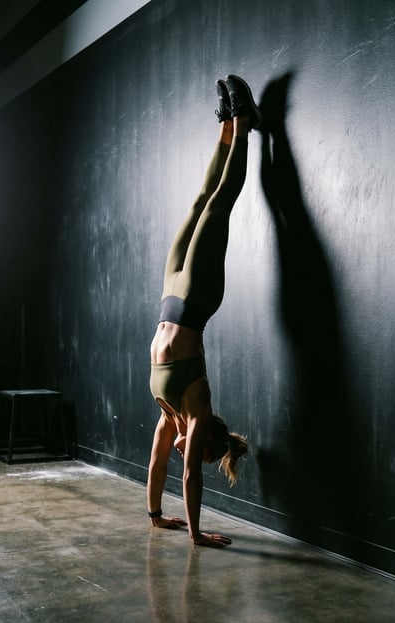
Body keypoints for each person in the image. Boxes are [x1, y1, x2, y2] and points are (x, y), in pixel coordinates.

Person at [147, 75, 261, 548]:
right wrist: (197, 534)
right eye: (199, 450)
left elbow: (156, 466)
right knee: (217, 206)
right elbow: (190, 473)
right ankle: (241, 121)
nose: (183, 452)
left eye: (190, 450)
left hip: (169, 294)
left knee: (198, 202)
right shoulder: (197, 410)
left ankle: (225, 125)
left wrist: (156, 517)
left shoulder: (167, 414)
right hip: (194, 302)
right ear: (208, 439)